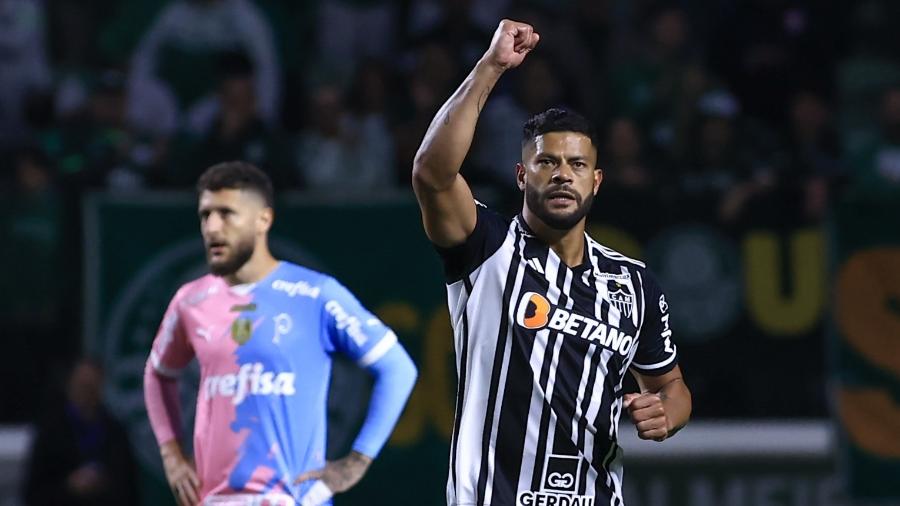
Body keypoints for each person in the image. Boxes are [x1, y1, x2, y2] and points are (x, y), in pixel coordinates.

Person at [411, 20, 692, 505]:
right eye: (548, 163)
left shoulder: (632, 282)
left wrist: (668, 412)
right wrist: (491, 66)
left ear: (597, 181)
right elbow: (432, 174)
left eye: (577, 164)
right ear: (522, 175)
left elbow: (670, 384)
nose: (563, 174)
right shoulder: (487, 248)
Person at [143, 161, 417, 505]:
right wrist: (171, 455)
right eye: (205, 215)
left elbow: (397, 368)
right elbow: (158, 373)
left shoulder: (315, 294)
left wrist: (357, 461)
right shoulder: (191, 300)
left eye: (226, 213)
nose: (212, 227)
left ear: (263, 220)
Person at [23, 358, 139, 506]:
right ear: (70, 386)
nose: (87, 394)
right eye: (82, 386)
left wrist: (103, 483)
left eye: (92, 387)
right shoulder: (51, 432)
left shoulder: (116, 433)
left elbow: (129, 490)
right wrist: (70, 486)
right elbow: (33, 493)